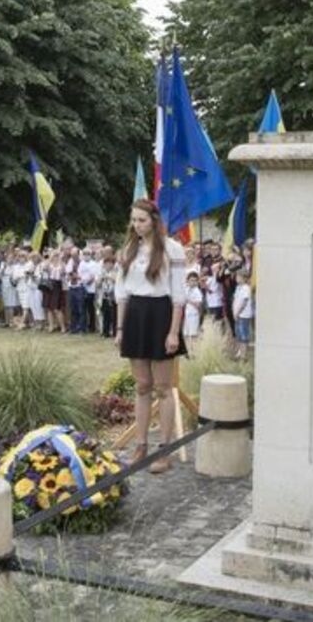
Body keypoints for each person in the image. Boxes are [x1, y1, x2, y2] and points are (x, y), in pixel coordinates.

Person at [115, 199, 187, 474]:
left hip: (161, 314)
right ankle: (141, 445)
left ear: (154, 220)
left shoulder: (172, 249)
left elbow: (179, 296)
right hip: (135, 315)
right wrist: (120, 329)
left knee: (163, 387)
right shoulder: (128, 249)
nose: (136, 225)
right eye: (133, 220)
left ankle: (164, 449)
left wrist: (173, 332)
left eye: (141, 220)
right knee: (143, 385)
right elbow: (122, 292)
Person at [231, 270, 255, 358]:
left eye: (238, 277)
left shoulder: (246, 288)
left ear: (244, 278)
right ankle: (239, 353)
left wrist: (238, 312)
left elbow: (244, 302)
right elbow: (235, 299)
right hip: (237, 315)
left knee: (243, 335)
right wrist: (234, 311)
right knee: (238, 335)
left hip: (243, 315)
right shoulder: (238, 287)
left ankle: (244, 355)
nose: (236, 278)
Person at [98, 248, 119, 338]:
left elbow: (117, 281)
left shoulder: (116, 271)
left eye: (109, 263)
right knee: (105, 314)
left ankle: (115, 332)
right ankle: (105, 332)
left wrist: (109, 277)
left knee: (114, 315)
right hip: (104, 295)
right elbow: (98, 283)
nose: (107, 265)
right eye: (105, 264)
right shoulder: (102, 272)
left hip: (113, 296)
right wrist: (102, 278)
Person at [182, 270, 203, 341]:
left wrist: (189, 301)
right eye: (191, 280)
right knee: (186, 334)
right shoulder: (187, 289)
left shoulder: (197, 291)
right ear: (188, 281)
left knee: (193, 335)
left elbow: (198, 305)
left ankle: (194, 350)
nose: (193, 282)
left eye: (195, 281)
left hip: (194, 315)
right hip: (187, 314)